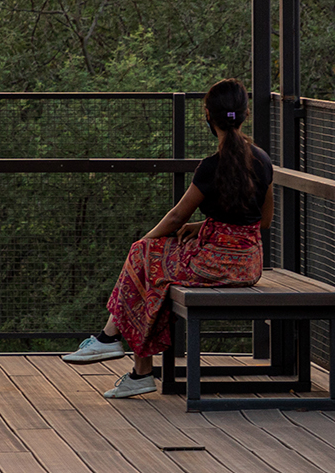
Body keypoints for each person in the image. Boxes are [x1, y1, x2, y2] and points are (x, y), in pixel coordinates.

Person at [65, 78, 272, 398]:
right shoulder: (263, 160)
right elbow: (264, 220)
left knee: (145, 255)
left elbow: (177, 217)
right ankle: (137, 371)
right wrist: (207, 228)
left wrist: (144, 243)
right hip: (250, 264)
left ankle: (112, 343)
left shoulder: (210, 167)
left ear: (207, 114)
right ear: (245, 113)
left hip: (218, 263)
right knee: (156, 268)